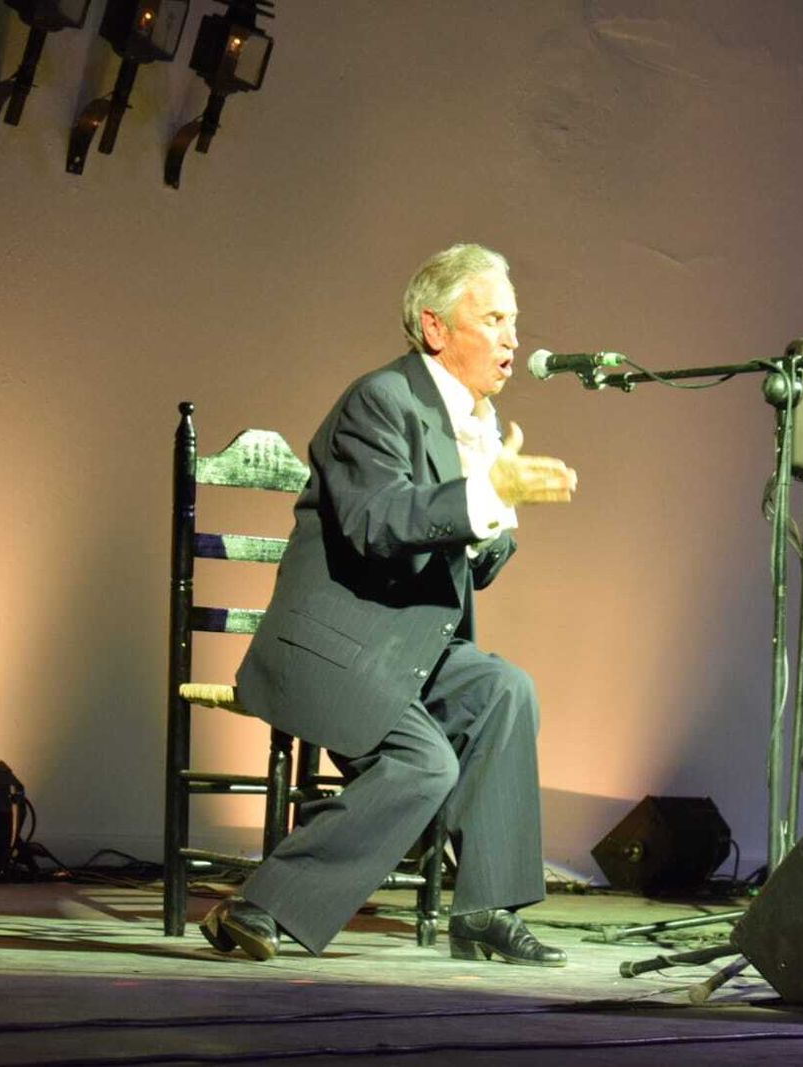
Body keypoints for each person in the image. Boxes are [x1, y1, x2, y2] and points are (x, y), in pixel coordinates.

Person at [200, 243, 578, 964]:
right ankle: (259, 903)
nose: (512, 338)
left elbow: (475, 564)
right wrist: (484, 494)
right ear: (436, 328)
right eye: (494, 318)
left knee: (506, 690)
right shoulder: (380, 401)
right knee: (426, 763)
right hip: (337, 644)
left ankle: (486, 908)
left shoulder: (475, 423)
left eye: (515, 321)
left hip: (410, 650)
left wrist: (498, 507)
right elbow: (379, 524)